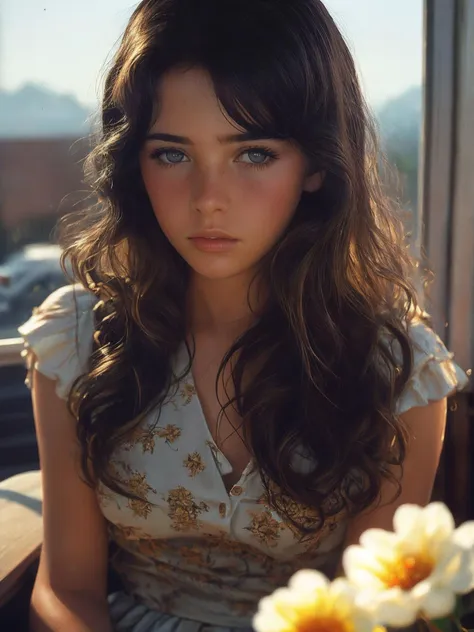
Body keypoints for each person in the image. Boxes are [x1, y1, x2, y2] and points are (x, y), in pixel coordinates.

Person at [19, 0, 468, 630]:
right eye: (172, 154)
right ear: (133, 163)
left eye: (253, 153)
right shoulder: (77, 339)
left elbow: (372, 610)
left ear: (315, 164)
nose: (208, 200)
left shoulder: (397, 368)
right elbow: (66, 588)